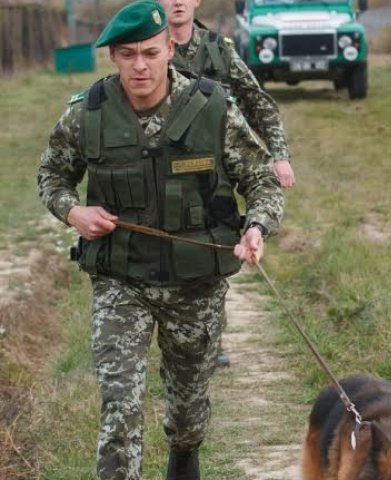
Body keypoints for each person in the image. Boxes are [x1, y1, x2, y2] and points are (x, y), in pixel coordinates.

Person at [37, 2, 284, 478]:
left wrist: (256, 227)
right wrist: (74, 211)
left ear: (170, 48)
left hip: (195, 285)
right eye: (127, 54)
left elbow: (261, 178)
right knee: (119, 403)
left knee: (189, 408)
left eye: (150, 52)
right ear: (113, 57)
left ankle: (184, 458)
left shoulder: (213, 109)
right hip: (119, 281)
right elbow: (51, 175)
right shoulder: (86, 114)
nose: (140, 65)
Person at [159, 0, 295, 368]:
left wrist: (279, 154)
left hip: (213, 167)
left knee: (213, 249)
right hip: (161, 171)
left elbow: (258, 103)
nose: (176, 2)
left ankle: (209, 337)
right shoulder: (149, 49)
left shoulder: (219, 50)